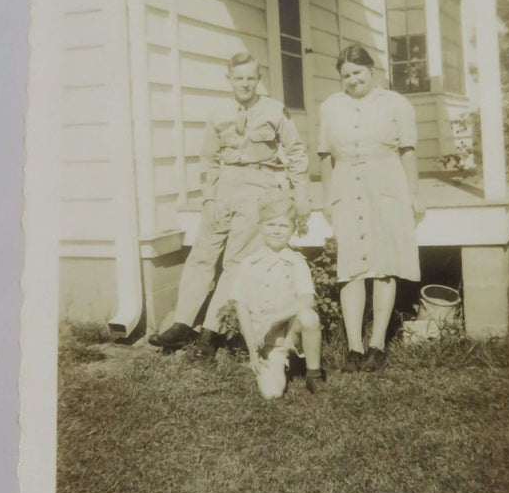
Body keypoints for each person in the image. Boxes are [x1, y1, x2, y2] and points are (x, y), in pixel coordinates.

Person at [149, 52, 309, 359]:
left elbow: (297, 153)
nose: (245, 84)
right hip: (224, 188)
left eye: (251, 78)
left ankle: (212, 330)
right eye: (239, 78)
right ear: (230, 80)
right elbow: (208, 158)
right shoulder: (218, 113)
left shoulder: (275, 111)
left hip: (258, 186)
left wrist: (301, 193)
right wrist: (208, 196)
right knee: (201, 256)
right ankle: (183, 325)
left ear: (258, 79)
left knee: (235, 261)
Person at [319, 44, 425, 372]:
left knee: (384, 263)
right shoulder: (331, 107)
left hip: (386, 184)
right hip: (347, 185)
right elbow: (324, 155)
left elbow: (407, 151)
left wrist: (413, 194)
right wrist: (327, 196)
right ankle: (353, 347)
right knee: (350, 265)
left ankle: (377, 343)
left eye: (357, 72)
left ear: (372, 71)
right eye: (345, 75)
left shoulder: (395, 103)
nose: (352, 81)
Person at [232, 190, 324, 399]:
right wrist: (253, 353)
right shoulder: (249, 263)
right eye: (271, 225)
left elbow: (308, 299)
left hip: (290, 333)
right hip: (266, 341)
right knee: (272, 393)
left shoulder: (296, 261)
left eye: (283, 225)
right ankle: (277, 362)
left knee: (309, 317)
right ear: (261, 228)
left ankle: (314, 376)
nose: (276, 230)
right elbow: (242, 306)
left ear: (292, 230)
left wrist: (272, 320)